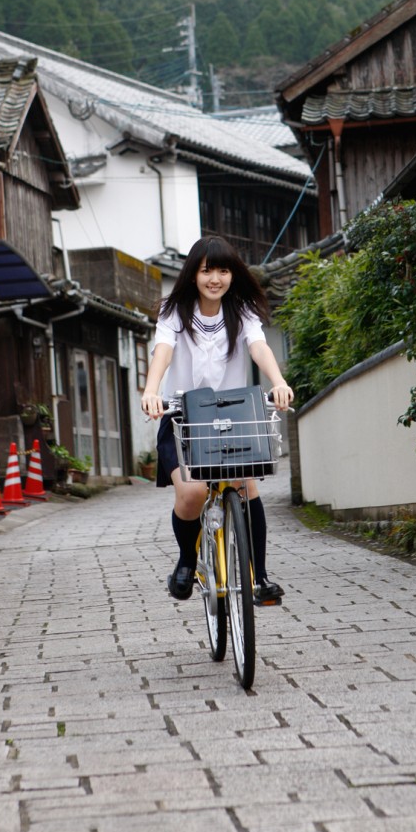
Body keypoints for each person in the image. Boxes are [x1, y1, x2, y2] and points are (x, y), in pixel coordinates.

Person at [141, 235, 294, 605]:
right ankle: (186, 561)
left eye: (223, 271)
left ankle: (259, 577)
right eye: (207, 270)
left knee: (246, 486)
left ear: (233, 274)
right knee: (192, 492)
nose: (215, 279)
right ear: (193, 275)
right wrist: (151, 390)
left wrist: (278, 382)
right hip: (183, 417)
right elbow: (163, 351)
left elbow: (258, 346)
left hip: (233, 415)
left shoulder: (242, 311)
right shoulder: (174, 311)